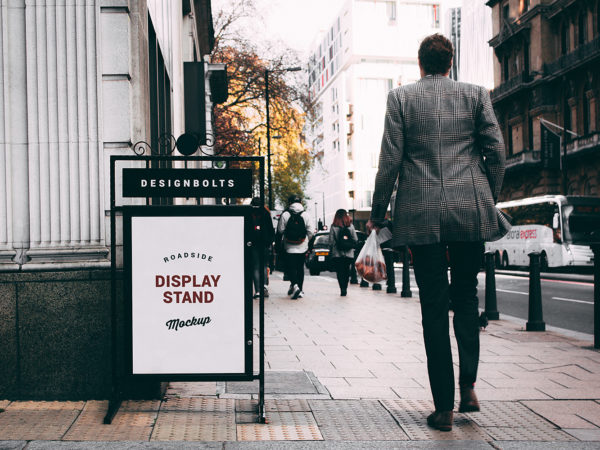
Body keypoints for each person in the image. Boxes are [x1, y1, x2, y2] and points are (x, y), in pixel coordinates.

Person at [368, 34, 510, 431]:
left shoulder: (401, 99)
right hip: (470, 210)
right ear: (451, 62)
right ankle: (469, 388)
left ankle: (443, 407)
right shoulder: (475, 94)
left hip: (421, 213)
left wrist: (379, 213)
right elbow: (496, 151)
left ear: (420, 63)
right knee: (466, 296)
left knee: (433, 305)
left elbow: (390, 159)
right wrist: (487, 195)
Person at [276, 195, 313, 299]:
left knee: (291, 267)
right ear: (301, 202)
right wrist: (306, 240)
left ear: (290, 203)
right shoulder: (306, 214)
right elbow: (310, 232)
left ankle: (295, 286)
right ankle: (300, 289)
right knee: (300, 267)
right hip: (302, 245)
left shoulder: (286, 214)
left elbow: (280, 230)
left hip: (289, 246)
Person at [249, 197, 275, 299]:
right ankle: (264, 287)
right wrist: (270, 242)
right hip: (264, 244)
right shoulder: (265, 213)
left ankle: (258, 291)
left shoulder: (249, 213)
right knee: (263, 266)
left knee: (255, 267)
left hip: (253, 244)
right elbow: (270, 230)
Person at [329, 209, 358, 296]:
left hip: (337, 254)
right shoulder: (351, 226)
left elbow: (331, 241)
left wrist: (334, 248)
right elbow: (355, 239)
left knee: (340, 271)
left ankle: (342, 288)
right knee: (346, 270)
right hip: (349, 254)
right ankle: (345, 287)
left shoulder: (333, 226)